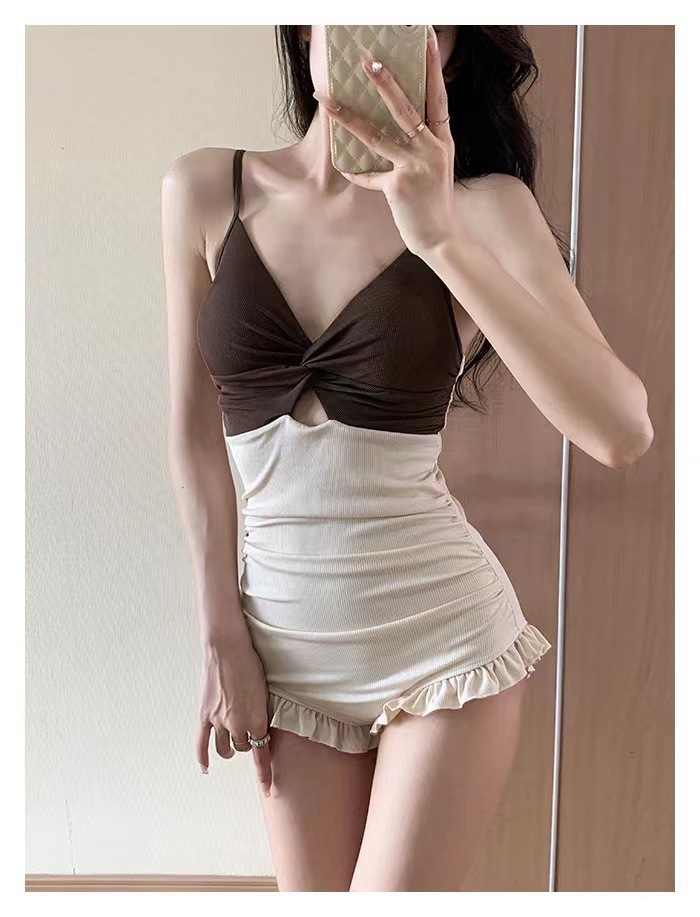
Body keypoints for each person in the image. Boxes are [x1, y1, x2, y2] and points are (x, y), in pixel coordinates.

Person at [161, 25, 653, 892]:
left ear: (448, 54)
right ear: (305, 28)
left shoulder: (484, 207)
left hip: (444, 650)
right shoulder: (204, 188)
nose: (379, 29)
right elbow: (193, 433)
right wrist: (220, 631)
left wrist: (440, 239)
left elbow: (622, 430)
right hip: (286, 654)